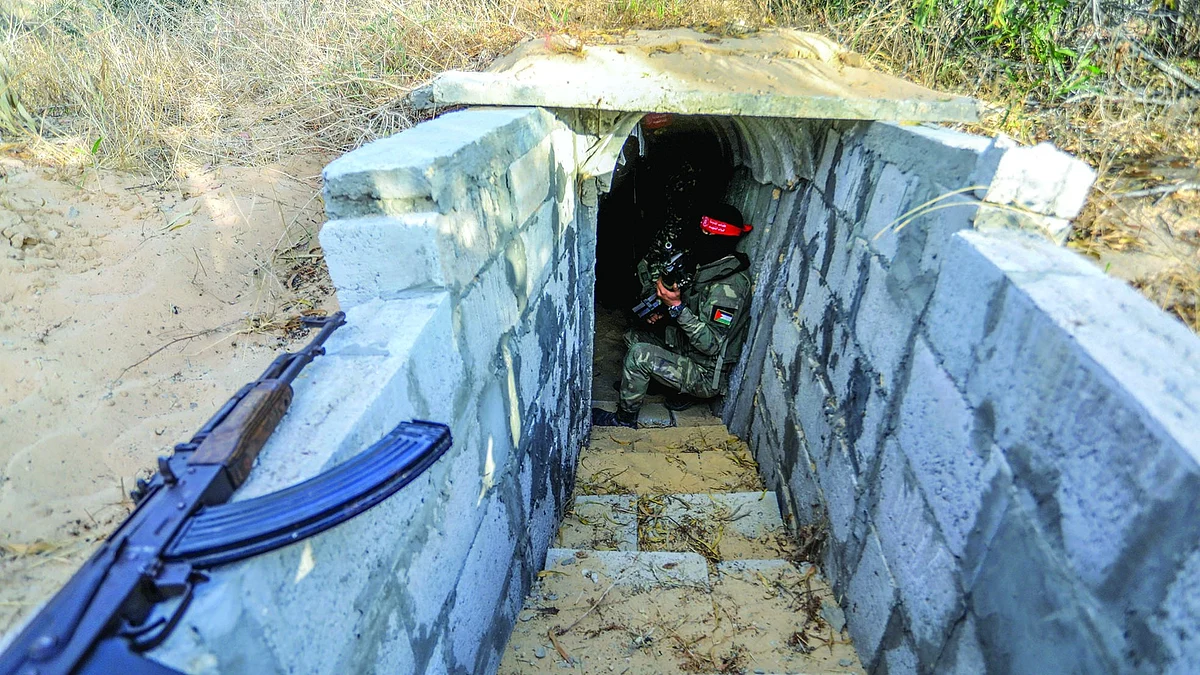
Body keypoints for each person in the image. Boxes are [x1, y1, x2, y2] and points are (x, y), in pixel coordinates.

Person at [593, 205, 753, 429]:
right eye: (702, 232)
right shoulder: (710, 267)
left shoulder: (729, 287)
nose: (702, 238)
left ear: (722, 240)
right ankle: (665, 385)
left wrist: (676, 307)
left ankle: (624, 419)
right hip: (688, 350)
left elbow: (711, 345)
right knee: (634, 337)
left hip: (705, 373)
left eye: (709, 235)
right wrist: (665, 312)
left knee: (640, 356)